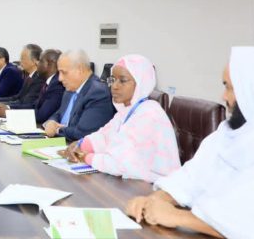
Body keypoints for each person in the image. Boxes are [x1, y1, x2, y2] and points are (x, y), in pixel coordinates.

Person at [126, 47, 254, 239]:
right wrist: (154, 200)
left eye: (230, 87)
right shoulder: (229, 133)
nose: (223, 97)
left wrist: (178, 217)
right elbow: (191, 177)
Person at [62, 54, 180, 182]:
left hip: (154, 187)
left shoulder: (149, 115)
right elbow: (105, 136)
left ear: (140, 82)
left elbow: (120, 164)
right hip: (133, 183)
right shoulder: (127, 110)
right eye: (113, 79)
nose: (114, 86)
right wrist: (81, 144)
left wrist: (84, 157)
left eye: (122, 80)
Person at [43, 49, 115, 141]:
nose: (60, 78)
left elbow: (83, 133)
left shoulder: (98, 92)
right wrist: (51, 122)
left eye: (64, 72)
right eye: (59, 73)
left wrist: (57, 130)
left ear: (80, 70)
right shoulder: (70, 89)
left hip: (78, 146)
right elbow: (59, 114)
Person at [0, 49, 64, 123]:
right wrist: (8, 108)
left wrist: (9, 112)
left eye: (40, 61)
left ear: (50, 64)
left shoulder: (57, 85)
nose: (37, 63)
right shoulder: (49, 82)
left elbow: (41, 115)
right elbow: (33, 105)